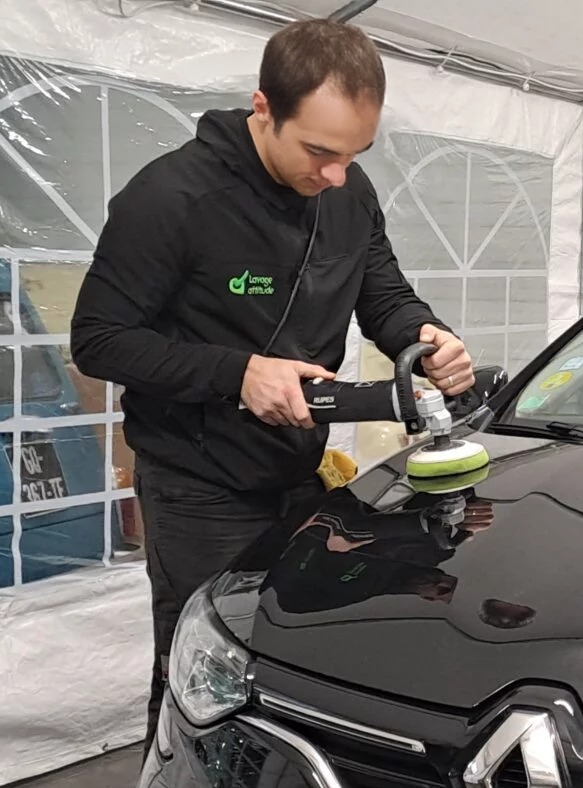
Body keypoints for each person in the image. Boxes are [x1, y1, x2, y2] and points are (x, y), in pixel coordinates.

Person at [70, 19, 475, 726]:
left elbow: (382, 293)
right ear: (264, 108)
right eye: (319, 151)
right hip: (198, 489)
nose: (336, 175)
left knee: (292, 671)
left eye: (356, 153)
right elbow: (99, 341)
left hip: (300, 477)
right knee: (203, 683)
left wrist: (426, 336)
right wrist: (239, 374)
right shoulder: (172, 199)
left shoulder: (347, 192)